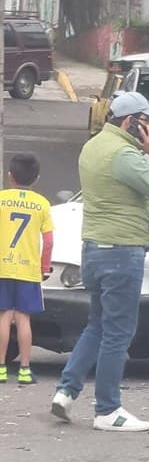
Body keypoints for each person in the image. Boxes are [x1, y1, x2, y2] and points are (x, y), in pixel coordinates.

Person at [51, 91, 149, 432]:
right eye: (147, 121)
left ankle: (67, 390)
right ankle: (108, 409)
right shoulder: (126, 155)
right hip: (122, 252)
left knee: (99, 325)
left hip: (94, 249)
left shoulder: (94, 146)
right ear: (129, 121)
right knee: (119, 333)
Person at [0, 153, 53, 385]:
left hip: (2, 266)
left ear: (9, 176)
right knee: (23, 318)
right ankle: (24, 369)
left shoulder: (1, 199)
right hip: (28, 269)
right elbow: (49, 240)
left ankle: (1, 369)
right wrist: (44, 266)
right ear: (36, 179)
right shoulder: (42, 204)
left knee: (3, 316)